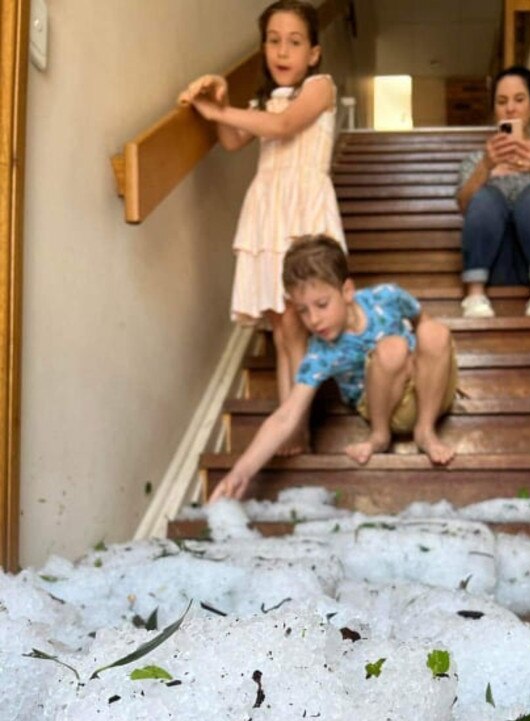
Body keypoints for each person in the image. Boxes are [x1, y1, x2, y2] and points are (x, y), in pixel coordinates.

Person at [178, 0, 346, 454]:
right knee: (282, 327)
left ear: (313, 52)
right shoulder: (263, 101)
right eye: (273, 41)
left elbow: (285, 125)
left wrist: (219, 113)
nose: (282, 51)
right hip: (268, 208)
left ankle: (299, 428)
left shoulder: (320, 86)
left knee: (301, 317)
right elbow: (233, 141)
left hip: (303, 210)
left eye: (294, 42)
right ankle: (291, 433)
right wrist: (221, 105)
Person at [209, 234, 458, 502]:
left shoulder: (387, 297)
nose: (314, 320)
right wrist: (241, 472)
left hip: (429, 394)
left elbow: (423, 320)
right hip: (387, 406)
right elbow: (285, 416)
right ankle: (379, 436)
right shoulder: (321, 353)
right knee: (393, 348)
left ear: (347, 291)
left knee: (434, 331)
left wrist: (432, 367)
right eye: (303, 310)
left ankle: (426, 431)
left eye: (322, 305)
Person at [456, 65, 530, 319]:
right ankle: (474, 295)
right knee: (486, 197)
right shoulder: (478, 159)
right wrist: (486, 166)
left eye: (519, 100)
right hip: (493, 262)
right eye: (502, 101)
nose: (510, 108)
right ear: (494, 111)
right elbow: (465, 206)